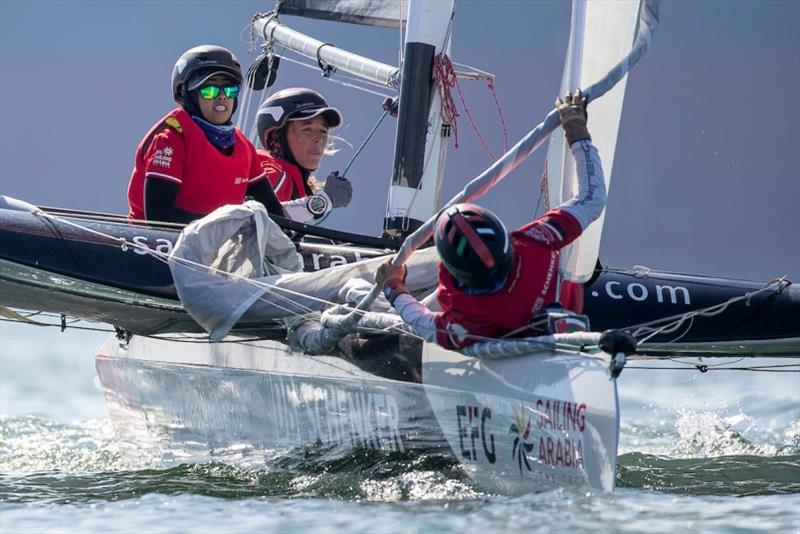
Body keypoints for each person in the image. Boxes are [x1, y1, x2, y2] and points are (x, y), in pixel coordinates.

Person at [376, 90, 606, 350]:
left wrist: (394, 287)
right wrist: (577, 132)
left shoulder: (467, 316)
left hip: (553, 335)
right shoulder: (536, 240)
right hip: (556, 338)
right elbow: (591, 198)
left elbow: (423, 324)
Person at [127, 44, 284, 224]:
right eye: (209, 90)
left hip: (215, 248)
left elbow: (275, 214)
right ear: (186, 94)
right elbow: (159, 216)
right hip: (154, 247)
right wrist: (229, 228)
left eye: (230, 89)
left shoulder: (244, 147)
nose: (222, 97)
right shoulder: (170, 139)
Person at [255, 87, 353, 222]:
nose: (319, 138)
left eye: (323, 131)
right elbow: (257, 221)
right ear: (276, 137)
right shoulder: (273, 173)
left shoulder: (291, 179)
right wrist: (324, 200)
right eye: (307, 129)